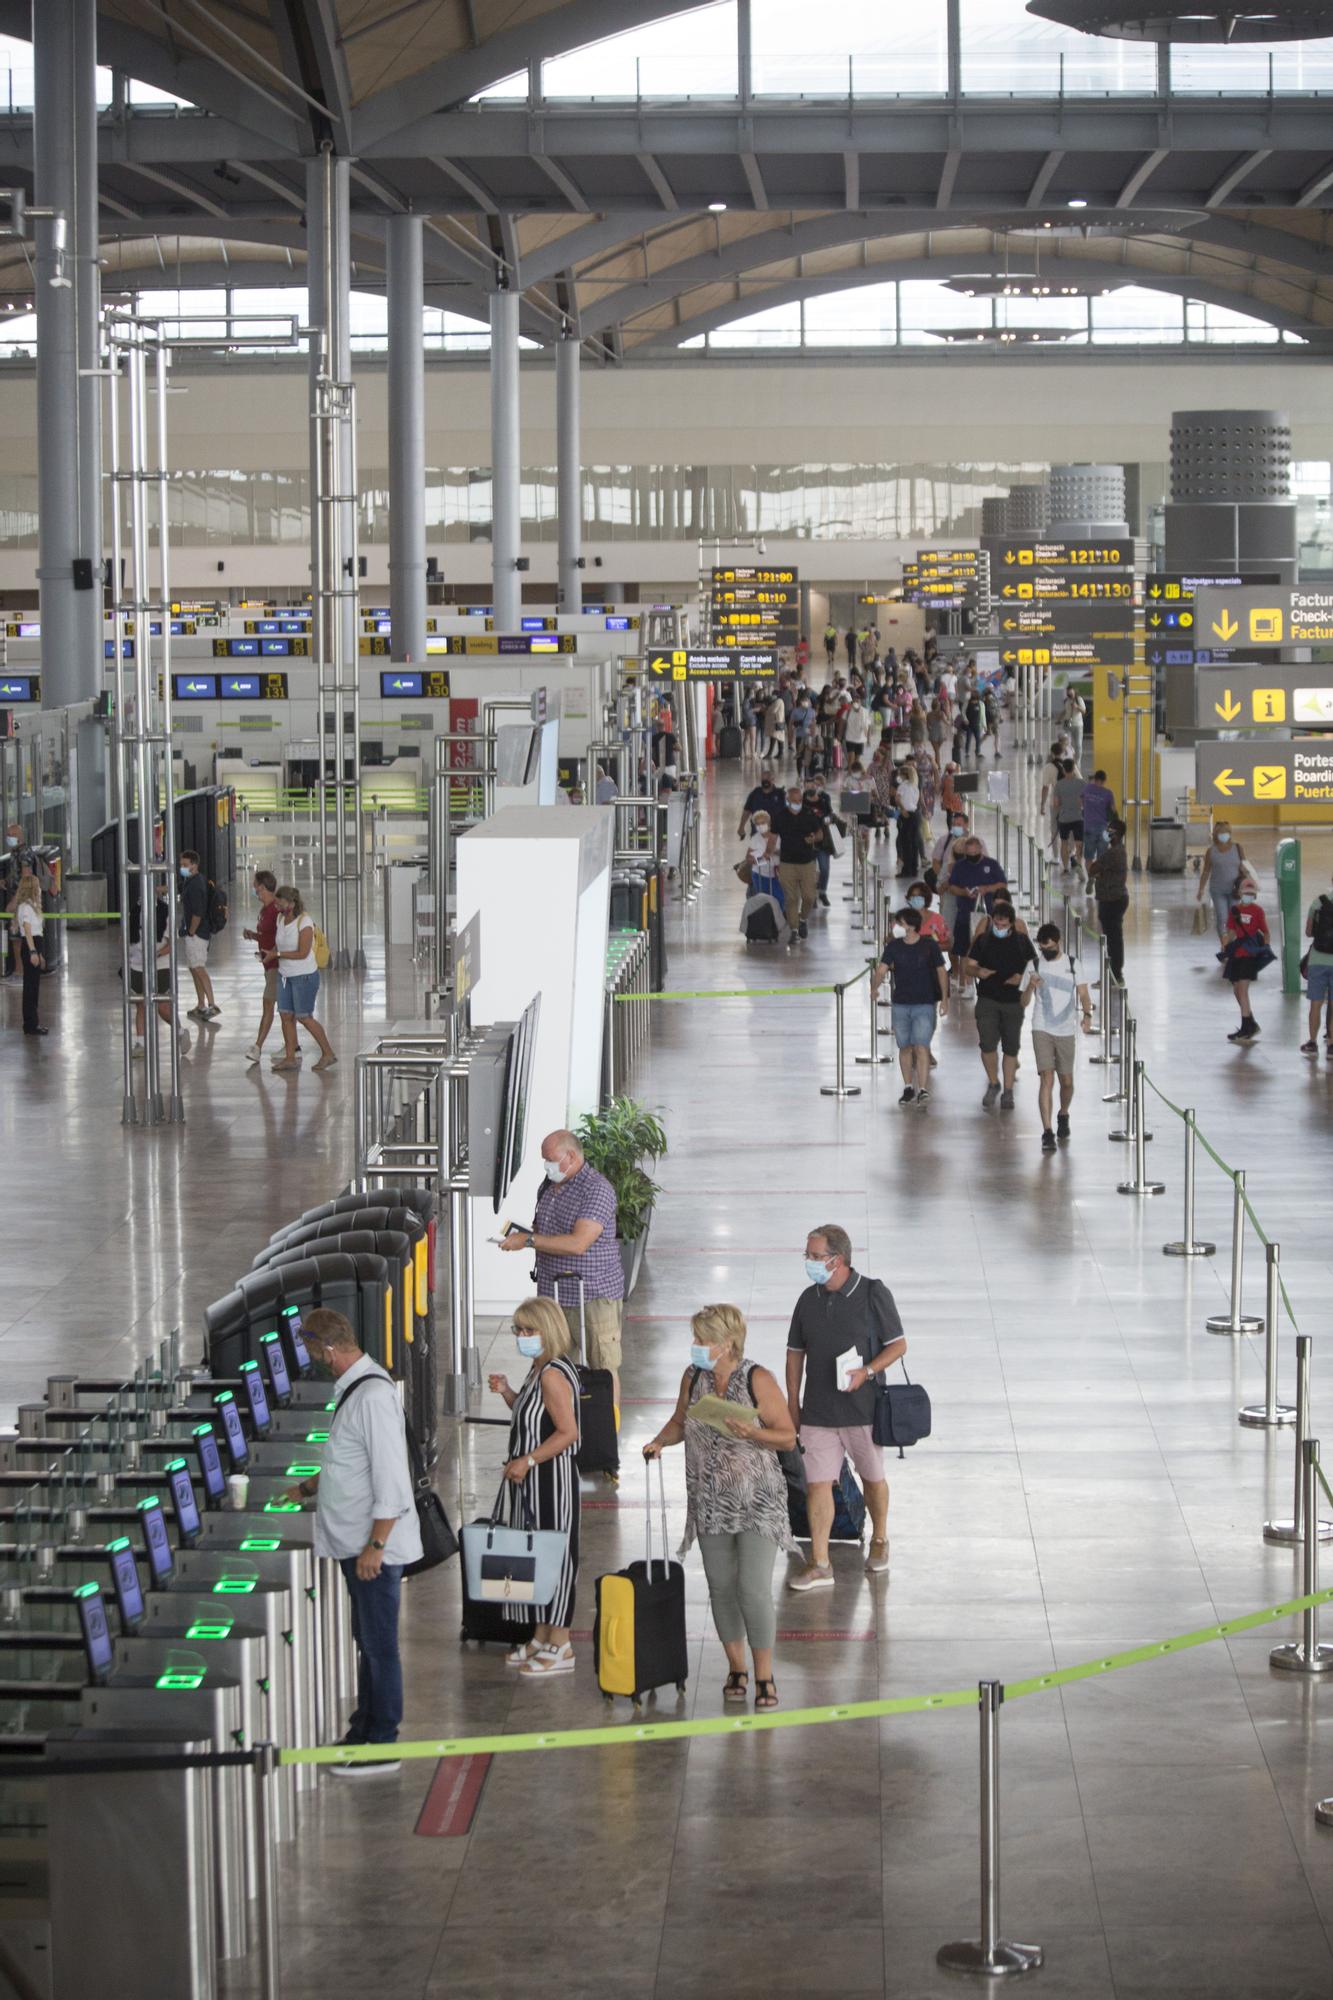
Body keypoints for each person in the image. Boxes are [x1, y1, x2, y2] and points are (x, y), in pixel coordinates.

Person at [283, 1306, 422, 1770]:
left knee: (380, 1645)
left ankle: (382, 1742)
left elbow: (392, 1482)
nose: (313, 1361)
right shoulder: (356, 1391)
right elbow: (350, 1462)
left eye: (311, 1351)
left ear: (326, 1349)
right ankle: (363, 1726)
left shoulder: (372, 1398)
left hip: (372, 1548)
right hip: (357, 1543)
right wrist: (304, 1490)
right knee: (366, 1638)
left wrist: (375, 1547)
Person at [644, 1304, 795, 1712]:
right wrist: (659, 1441)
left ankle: (764, 1674)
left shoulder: (757, 1378)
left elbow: (788, 1437)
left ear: (726, 1344)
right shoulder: (693, 1377)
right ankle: (737, 1668)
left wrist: (754, 1432)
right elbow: (680, 1421)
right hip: (709, 1500)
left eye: (702, 1339)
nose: (694, 1346)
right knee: (721, 1587)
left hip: (758, 1500)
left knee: (752, 1588)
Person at [785, 1225, 906, 1588]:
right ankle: (821, 1562)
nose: (809, 1262)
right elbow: (795, 1355)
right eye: (807, 1255)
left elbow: (898, 1345)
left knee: (872, 1477)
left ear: (837, 1260)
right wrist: (794, 1403)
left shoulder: (872, 1293)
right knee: (818, 1484)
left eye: (814, 1256)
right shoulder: (808, 1299)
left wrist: (867, 1372)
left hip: (861, 1410)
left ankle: (880, 1538)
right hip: (819, 1413)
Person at [487, 1296, 581, 1679]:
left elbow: (568, 1433)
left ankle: (561, 1642)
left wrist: (527, 1461)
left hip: (550, 1481)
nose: (523, 1337)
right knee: (535, 1557)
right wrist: (509, 1393)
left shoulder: (552, 1375)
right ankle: (541, 1633)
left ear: (549, 1331)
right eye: (519, 1330)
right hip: (531, 1481)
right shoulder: (537, 1368)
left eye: (530, 1330)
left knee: (553, 1555)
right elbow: (533, 1420)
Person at [499, 1128, 625, 1410]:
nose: (547, 1165)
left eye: (551, 1159)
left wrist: (529, 1241)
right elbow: (544, 1228)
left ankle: (606, 1433)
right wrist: (527, 1234)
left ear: (571, 1156)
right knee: (552, 1364)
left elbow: (579, 1243)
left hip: (593, 1293)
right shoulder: (549, 1185)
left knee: (602, 1366)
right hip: (553, 1294)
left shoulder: (596, 1189)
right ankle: (561, 1425)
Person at [964, 900, 1037, 1110]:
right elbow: (969, 966)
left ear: (1012, 924)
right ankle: (993, 1082)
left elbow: (1034, 967)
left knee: (1011, 1047)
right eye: (996, 924)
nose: (999, 928)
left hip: (1013, 1002)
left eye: (1004, 925)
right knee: (987, 1043)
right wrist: (979, 972)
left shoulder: (1022, 942)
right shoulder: (983, 940)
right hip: (987, 999)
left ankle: (1008, 1090)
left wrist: (1020, 978)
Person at [872, 907, 948, 1106]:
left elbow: (941, 971)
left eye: (900, 923)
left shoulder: (929, 945)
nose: (897, 927)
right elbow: (881, 970)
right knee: (905, 1047)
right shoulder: (894, 947)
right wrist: (874, 987)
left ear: (911, 926)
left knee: (921, 1046)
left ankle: (922, 1088)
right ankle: (908, 1087)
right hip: (901, 1004)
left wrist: (945, 998)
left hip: (924, 1003)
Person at [1026, 922, 1092, 1151]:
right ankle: (1047, 1131)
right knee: (1046, 1078)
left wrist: (1087, 1014)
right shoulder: (1033, 965)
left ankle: (1063, 1113)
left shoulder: (1073, 965)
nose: (1047, 953)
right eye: (1043, 949)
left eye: (1051, 948)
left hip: (1066, 1029)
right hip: (1041, 1026)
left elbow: (1083, 993)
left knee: (1066, 1081)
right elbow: (1023, 1001)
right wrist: (1029, 987)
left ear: (1059, 943)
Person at [264, 884, 337, 1073]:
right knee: (286, 1015)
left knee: (304, 1017)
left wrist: (277, 955)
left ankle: (328, 1053)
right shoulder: (281, 919)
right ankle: (290, 1057)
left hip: (304, 976)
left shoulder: (305, 922)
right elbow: (278, 944)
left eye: (281, 903)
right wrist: (270, 953)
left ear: (291, 902)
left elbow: (303, 953)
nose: (278, 907)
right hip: (285, 975)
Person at [128, 887, 188, 1058]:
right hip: (137, 965)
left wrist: (157, 953)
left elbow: (172, 943)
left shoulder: (165, 914)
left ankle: (179, 1031)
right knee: (141, 1002)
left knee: (161, 1005)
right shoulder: (134, 913)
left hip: (160, 965)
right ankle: (140, 1042)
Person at [942, 834, 1008, 968]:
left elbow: (1002, 884)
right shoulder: (959, 866)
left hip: (989, 914)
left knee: (989, 948)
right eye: (969, 853)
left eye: (975, 852)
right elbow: (952, 887)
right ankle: (964, 979)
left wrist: (987, 888)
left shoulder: (992, 864)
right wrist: (963, 892)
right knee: (963, 950)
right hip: (965, 915)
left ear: (980, 849)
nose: (972, 855)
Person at [772, 781, 825, 944]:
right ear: (787, 800)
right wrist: (768, 851)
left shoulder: (809, 814)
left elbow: (820, 834)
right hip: (787, 863)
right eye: (794, 802)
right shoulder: (779, 816)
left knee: (809, 896)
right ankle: (794, 930)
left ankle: (803, 919)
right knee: (791, 898)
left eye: (799, 801)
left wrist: (813, 838)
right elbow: (773, 836)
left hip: (807, 862)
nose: (797, 805)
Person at [1221, 882, 1271, 1043]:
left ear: (1254, 895)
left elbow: (1265, 931)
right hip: (1236, 955)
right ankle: (1250, 1023)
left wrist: (1265, 948)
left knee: (1242, 990)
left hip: (1249, 956)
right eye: (1246, 892)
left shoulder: (1258, 911)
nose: (1248, 895)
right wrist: (1225, 947)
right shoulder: (1235, 910)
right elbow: (1230, 930)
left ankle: (1245, 1029)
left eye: (1251, 893)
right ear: (1241, 893)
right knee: (1237, 991)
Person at [242, 870, 280, 1065]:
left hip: (276, 966)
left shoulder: (276, 910)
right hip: (268, 964)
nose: (253, 889)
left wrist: (271, 954)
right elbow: (267, 935)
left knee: (268, 1003)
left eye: (255, 885)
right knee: (287, 1010)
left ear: (262, 887)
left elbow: (283, 938)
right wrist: (253, 936)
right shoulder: (265, 910)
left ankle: (257, 1047)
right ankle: (294, 1047)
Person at [178, 849, 219, 1024]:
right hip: (194, 933)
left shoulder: (196, 885)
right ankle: (201, 1004)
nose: (182, 868)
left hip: (198, 933)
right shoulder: (191, 881)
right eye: (181, 865)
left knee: (199, 968)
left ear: (194, 865)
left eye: (185, 865)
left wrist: (192, 931)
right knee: (194, 967)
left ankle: (211, 1004)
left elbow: (198, 912)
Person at [1197, 821, 1255, 942]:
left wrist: (1248, 881)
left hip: (1235, 890)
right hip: (1217, 891)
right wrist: (1201, 889)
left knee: (1234, 918)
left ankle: (1230, 942)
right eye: (1221, 833)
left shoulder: (1238, 848)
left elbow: (1244, 866)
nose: (1224, 835)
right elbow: (1206, 871)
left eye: (1226, 832)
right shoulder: (1211, 851)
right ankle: (1225, 944)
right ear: (1215, 835)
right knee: (1222, 918)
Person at [1088, 817, 1130, 982]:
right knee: (1114, 939)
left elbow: (1092, 869)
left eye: (1109, 831)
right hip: (1113, 898)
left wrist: (1099, 871)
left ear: (1116, 834)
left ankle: (1115, 975)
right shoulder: (1117, 851)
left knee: (1113, 941)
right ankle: (1114, 974)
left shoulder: (1113, 853)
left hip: (1112, 900)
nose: (1106, 833)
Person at [1301, 874, 1333, 1057]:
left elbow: (1308, 931)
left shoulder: (1318, 902)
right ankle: (1331, 1045)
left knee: (1316, 1003)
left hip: (1318, 960)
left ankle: (1312, 1043)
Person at [11, 869, 45, 1037]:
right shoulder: (26, 908)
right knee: (30, 987)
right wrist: (33, 951)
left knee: (34, 986)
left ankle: (34, 1022)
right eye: (37, 886)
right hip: (30, 945)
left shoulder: (33, 906)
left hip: (36, 945)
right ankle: (30, 1024)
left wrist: (40, 953)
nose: (40, 889)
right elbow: (28, 929)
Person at [1053, 760, 1087, 875]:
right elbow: (1085, 801)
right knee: (1079, 843)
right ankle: (1079, 864)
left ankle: (1066, 868)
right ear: (1074, 769)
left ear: (1063, 770)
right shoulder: (1082, 783)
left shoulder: (1059, 785)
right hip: (1078, 817)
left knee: (1064, 843)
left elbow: (1056, 804)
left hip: (1064, 818)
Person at [1081, 770, 1116, 865]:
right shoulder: (1108, 793)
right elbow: (1113, 811)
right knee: (1102, 857)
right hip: (1104, 828)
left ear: (1095, 779)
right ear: (1104, 781)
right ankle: (1100, 878)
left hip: (1089, 827)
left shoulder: (1087, 788)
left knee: (1089, 858)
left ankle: (1090, 877)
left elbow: (1080, 803)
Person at [736, 770, 782, 839]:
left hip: (775, 834)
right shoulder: (755, 793)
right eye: (763, 779)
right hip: (757, 833)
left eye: (768, 779)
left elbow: (786, 813)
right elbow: (747, 810)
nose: (765, 781)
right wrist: (741, 827)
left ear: (773, 780)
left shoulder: (780, 794)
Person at [894, 759, 921, 877]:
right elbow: (916, 800)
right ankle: (914, 868)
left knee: (905, 842)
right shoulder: (915, 786)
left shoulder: (902, 786)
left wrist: (902, 809)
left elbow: (897, 799)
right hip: (915, 814)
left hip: (906, 815)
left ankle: (906, 870)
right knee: (914, 842)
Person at [1061, 686, 1086, 764]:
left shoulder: (1079, 700)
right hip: (1067, 724)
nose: (1069, 694)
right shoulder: (1066, 701)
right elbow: (1065, 711)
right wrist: (1059, 719)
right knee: (1067, 743)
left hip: (1078, 725)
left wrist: (1077, 707)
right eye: (1068, 692)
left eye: (1071, 692)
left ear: (1074, 692)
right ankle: (1069, 759)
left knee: (1078, 744)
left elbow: (1084, 711)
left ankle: (1077, 761)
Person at [761, 687, 786, 762]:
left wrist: (766, 708)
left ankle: (778, 753)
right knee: (775, 737)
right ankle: (776, 753)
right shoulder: (775, 701)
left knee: (778, 738)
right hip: (775, 723)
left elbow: (773, 710)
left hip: (778, 722)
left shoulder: (779, 701)